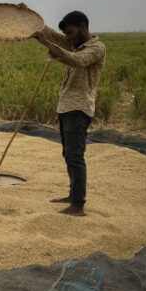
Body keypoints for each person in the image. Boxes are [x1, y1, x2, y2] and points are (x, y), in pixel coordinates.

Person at [32, 11, 105, 216]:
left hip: (79, 108)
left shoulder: (96, 48)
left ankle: (77, 206)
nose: (69, 38)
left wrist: (45, 43)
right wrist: (30, 18)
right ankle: (73, 195)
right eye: (67, 34)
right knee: (68, 154)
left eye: (71, 33)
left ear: (83, 27)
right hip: (65, 107)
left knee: (75, 157)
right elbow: (55, 36)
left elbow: (75, 60)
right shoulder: (74, 44)